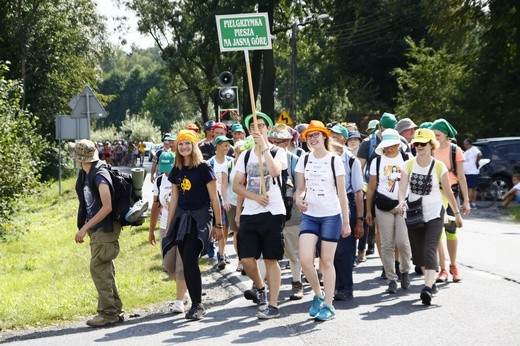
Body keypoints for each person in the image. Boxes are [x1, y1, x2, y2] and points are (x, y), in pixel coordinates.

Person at [397, 129, 462, 305]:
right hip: (414, 214)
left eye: (423, 143)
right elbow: (402, 189)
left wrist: (456, 214)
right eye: (416, 143)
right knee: (418, 254)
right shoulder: (408, 165)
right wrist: (401, 201)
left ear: (431, 145)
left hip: (435, 213)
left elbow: (448, 191)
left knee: (430, 248)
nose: (419, 147)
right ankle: (431, 281)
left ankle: (426, 288)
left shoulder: (439, 166)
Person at [163, 130, 223, 320]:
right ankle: (195, 302)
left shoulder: (204, 168)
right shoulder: (176, 170)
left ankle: (198, 304)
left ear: (194, 145)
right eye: (180, 144)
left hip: (201, 216)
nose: (184, 147)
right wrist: (170, 225)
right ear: (176, 147)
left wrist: (218, 225)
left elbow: (214, 198)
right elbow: (174, 199)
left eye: (187, 143)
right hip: (182, 218)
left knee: (190, 258)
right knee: (187, 261)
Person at [233, 112, 287, 319]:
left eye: (262, 126)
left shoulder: (278, 152)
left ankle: (273, 305)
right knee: (246, 259)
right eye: (254, 127)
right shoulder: (245, 156)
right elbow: (237, 185)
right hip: (251, 211)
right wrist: (254, 197)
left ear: (268, 129)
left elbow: (274, 172)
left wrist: (264, 147)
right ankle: (260, 287)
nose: (258, 130)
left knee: (271, 258)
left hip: (273, 211)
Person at [294, 120, 350, 321]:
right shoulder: (304, 159)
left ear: (324, 136)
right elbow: (299, 189)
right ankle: (318, 295)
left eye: (316, 134)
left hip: (331, 215)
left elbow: (342, 194)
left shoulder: (335, 160)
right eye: (309, 135)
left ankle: (329, 305)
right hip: (310, 215)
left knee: (326, 261)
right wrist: (298, 199)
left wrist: (346, 222)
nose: (313, 138)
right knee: (305, 259)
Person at [69, 139, 124, 327]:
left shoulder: (99, 175)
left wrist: (84, 228)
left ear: (79, 158)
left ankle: (108, 314)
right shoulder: (86, 173)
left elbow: (107, 206)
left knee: (98, 268)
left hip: (105, 228)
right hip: (98, 229)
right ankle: (115, 310)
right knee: (104, 269)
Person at [365, 129, 412, 294]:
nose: (389, 149)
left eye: (392, 145)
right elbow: (371, 187)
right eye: (386, 146)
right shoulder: (376, 162)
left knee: (403, 242)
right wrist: (368, 211)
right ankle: (391, 279)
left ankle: (405, 271)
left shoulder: (407, 159)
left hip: (402, 205)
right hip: (382, 205)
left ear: (398, 145)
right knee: (387, 245)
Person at [430, 119, 470, 283]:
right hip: (435, 194)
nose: (434, 137)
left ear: (446, 135)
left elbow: (461, 177)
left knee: (451, 231)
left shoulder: (455, 150)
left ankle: (453, 266)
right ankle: (443, 268)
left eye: (437, 134)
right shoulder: (430, 149)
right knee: (437, 231)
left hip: (451, 193)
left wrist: (466, 200)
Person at [148, 150, 188, 314]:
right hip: (165, 227)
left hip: (183, 226)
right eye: (163, 168)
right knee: (168, 266)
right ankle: (185, 289)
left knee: (181, 266)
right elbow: (156, 206)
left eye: (169, 167)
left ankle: (180, 300)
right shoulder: (159, 181)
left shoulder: (184, 179)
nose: (166, 172)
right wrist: (151, 230)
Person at [267, 124, 304, 300]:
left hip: (291, 209)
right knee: (265, 250)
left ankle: (297, 283)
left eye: (278, 141)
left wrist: (297, 198)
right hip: (268, 208)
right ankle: (261, 285)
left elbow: (300, 186)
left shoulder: (295, 159)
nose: (274, 144)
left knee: (293, 249)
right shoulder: (262, 157)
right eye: (271, 141)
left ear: (288, 141)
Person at [329, 124, 364, 301]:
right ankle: (333, 285)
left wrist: (359, 220)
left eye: (336, 136)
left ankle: (346, 287)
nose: (332, 139)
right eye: (330, 136)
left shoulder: (351, 161)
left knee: (345, 249)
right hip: (327, 202)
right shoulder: (325, 158)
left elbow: (358, 192)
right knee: (328, 248)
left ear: (344, 139)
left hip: (347, 202)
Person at [208, 135, 234, 269]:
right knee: (219, 227)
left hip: (228, 200)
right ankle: (220, 255)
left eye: (228, 145)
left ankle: (221, 252)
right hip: (214, 200)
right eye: (224, 145)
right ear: (217, 146)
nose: (227, 148)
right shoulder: (209, 163)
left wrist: (227, 199)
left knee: (226, 229)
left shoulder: (231, 162)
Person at [463, 138, 482, 208]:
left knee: (470, 188)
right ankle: (472, 203)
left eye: (465, 144)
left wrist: (477, 161)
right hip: (467, 172)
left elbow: (479, 154)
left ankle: (469, 203)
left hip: (472, 172)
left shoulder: (474, 149)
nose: (464, 145)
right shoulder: (466, 151)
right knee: (472, 188)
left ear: (468, 144)